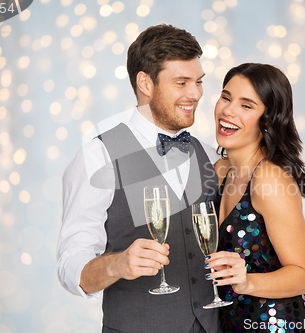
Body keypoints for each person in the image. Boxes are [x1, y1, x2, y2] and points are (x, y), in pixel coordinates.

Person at [57, 24, 222, 333]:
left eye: (198, 82)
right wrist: (117, 264)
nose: (196, 94)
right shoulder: (97, 158)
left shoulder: (211, 157)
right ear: (145, 83)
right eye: (182, 82)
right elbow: (70, 267)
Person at [205, 63, 305, 332]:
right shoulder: (220, 171)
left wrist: (248, 282)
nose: (228, 110)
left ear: (268, 120)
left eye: (246, 105)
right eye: (226, 97)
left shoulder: (269, 178)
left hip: (276, 325)